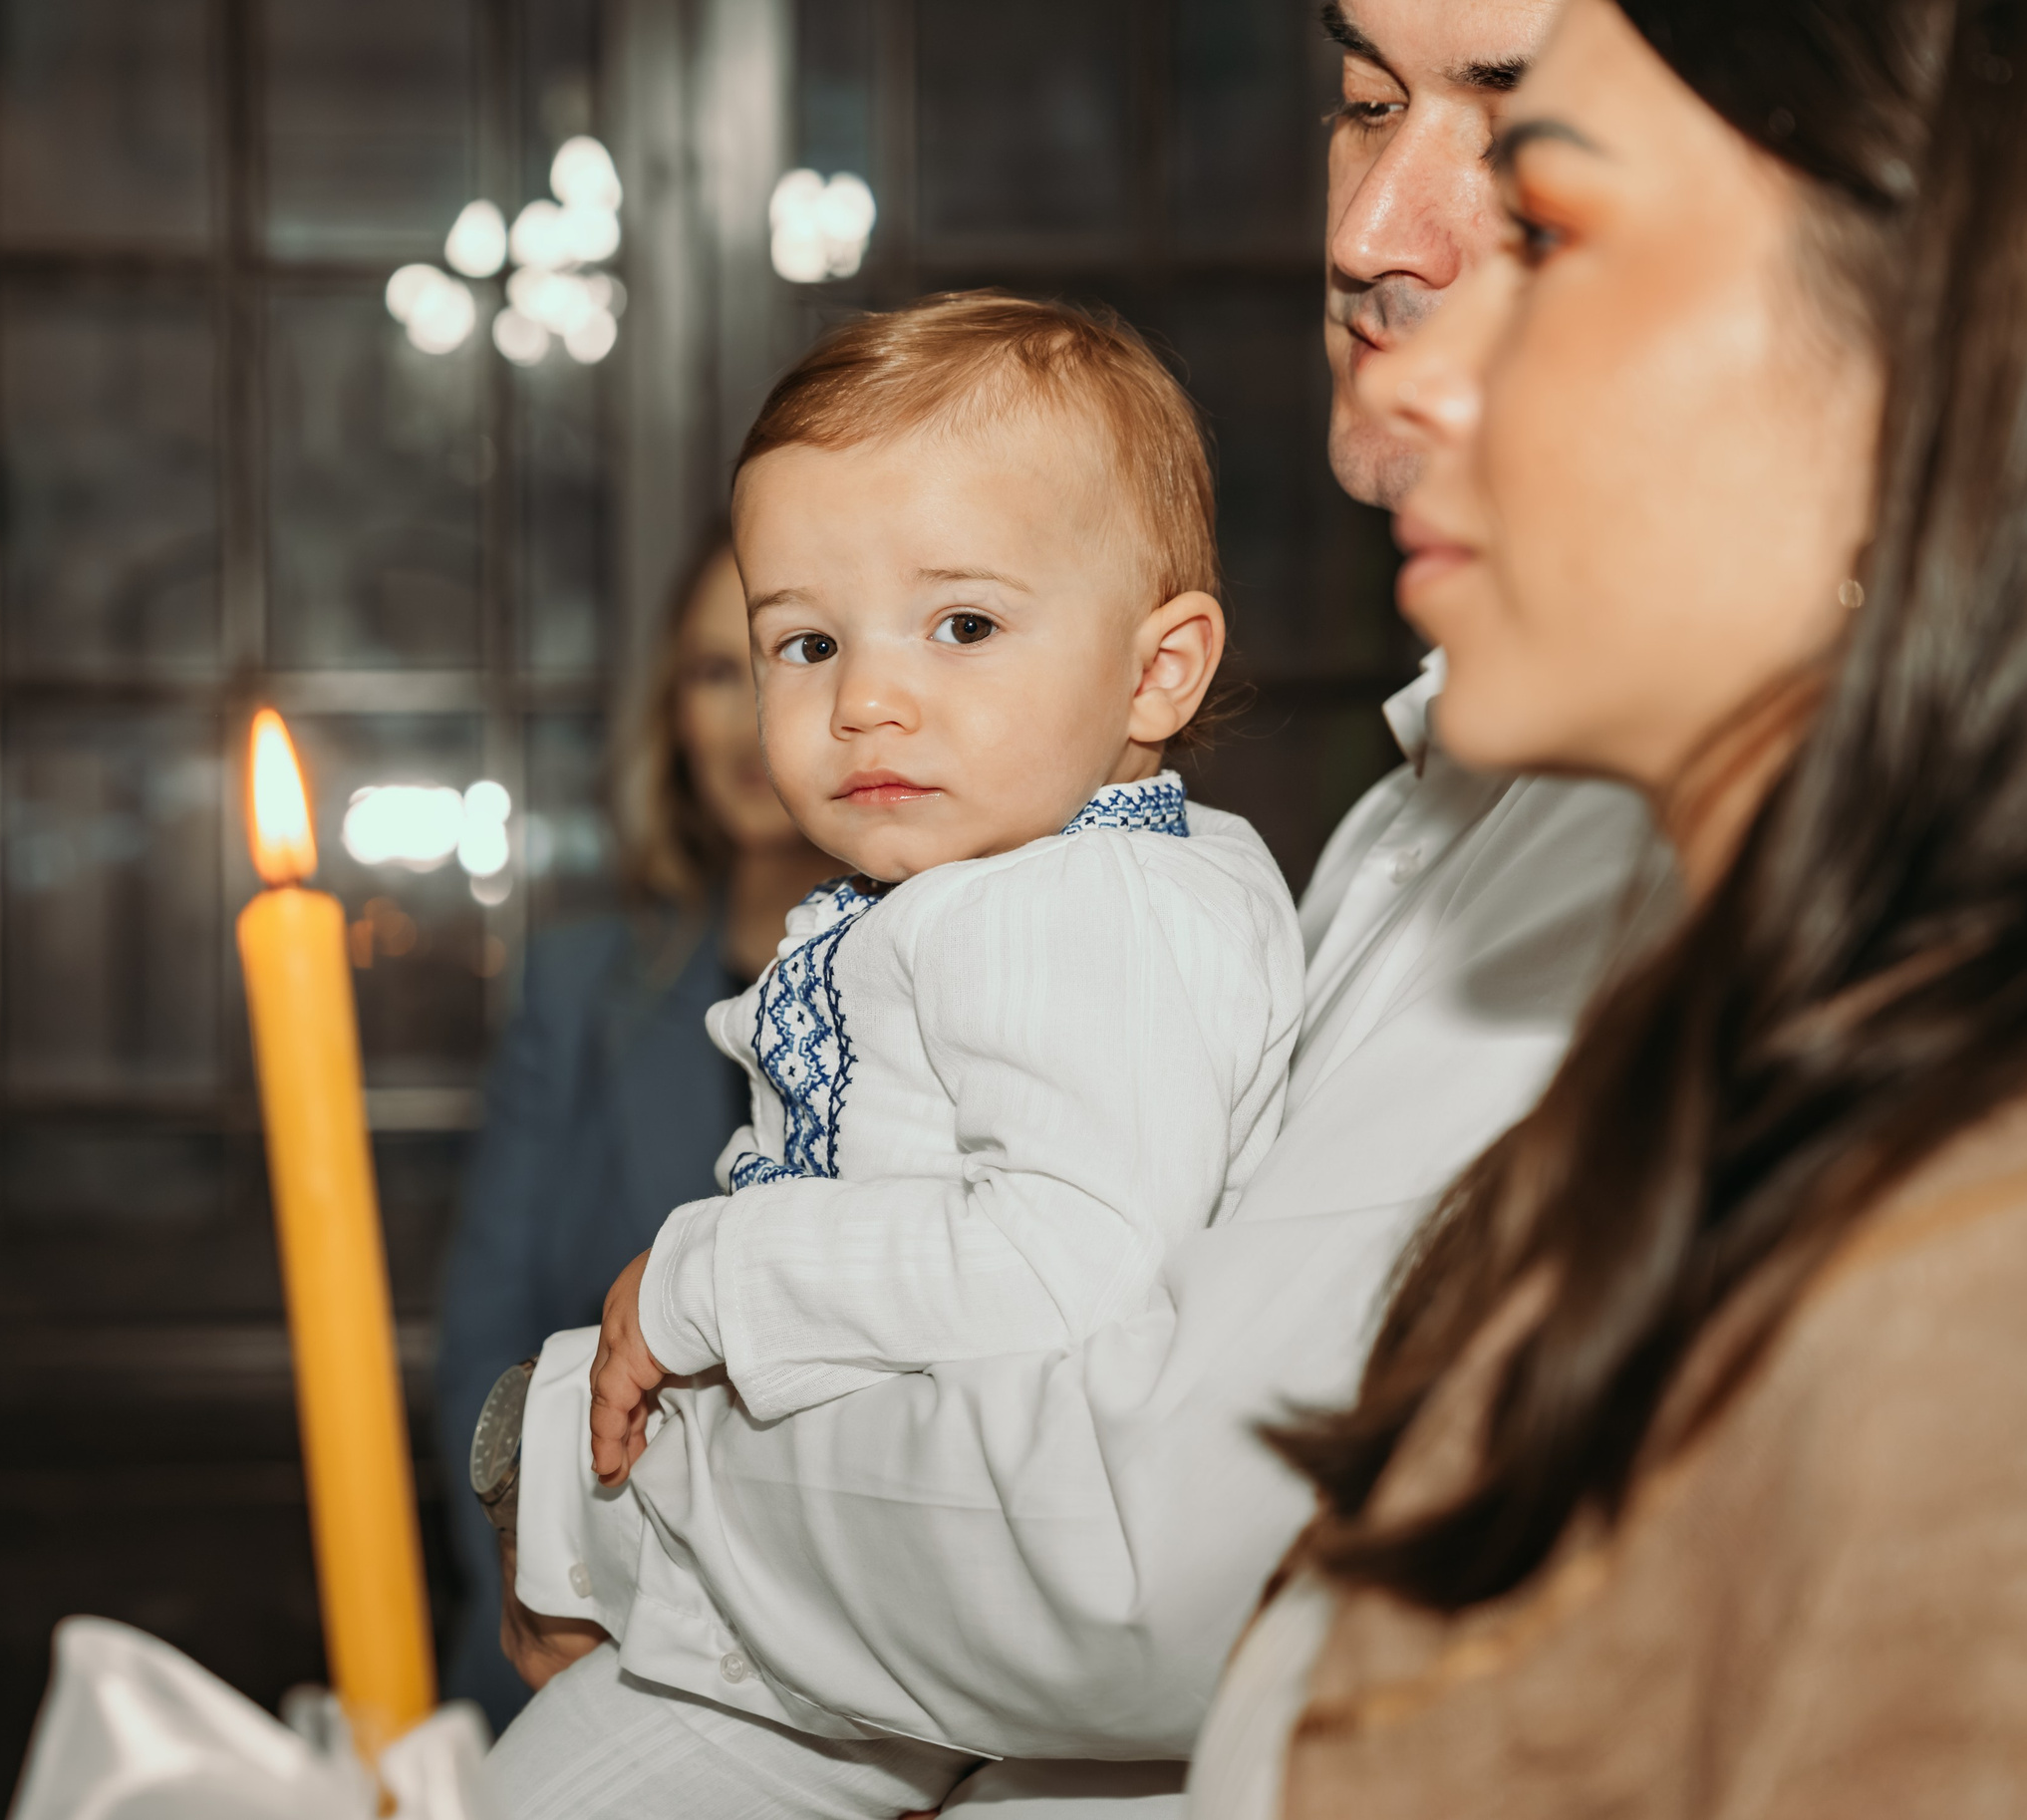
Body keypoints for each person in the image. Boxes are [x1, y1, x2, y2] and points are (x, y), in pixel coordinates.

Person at [492, 1, 1672, 1815]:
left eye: (1519, 120)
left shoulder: (1104, 906)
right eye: (1362, 101)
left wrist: (625, 1454)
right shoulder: (1385, 826)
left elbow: (1137, 1540)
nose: (1364, 228)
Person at [1197, 0, 2027, 1812]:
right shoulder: (1695, 1081)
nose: (1402, 332)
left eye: (1556, 229)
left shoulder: (1994, 1298)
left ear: (1921, 338)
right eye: (1361, 106)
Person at [486, 294, 1309, 1812]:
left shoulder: (1081, 903)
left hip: (974, 1603)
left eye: (966, 624)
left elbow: (1072, 1259)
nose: (863, 695)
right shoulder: (1010, 889)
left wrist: (704, 1276)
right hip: (896, 1595)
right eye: (804, 639)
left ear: (1158, 671)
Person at [433, 535, 829, 1732]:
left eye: (795, 655)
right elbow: (482, 1346)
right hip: (582, 1645)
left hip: (873, 1681)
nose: (754, 715)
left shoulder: (959, 986)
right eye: (717, 670)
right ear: (670, 711)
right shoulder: (574, 985)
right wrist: (541, 1573)